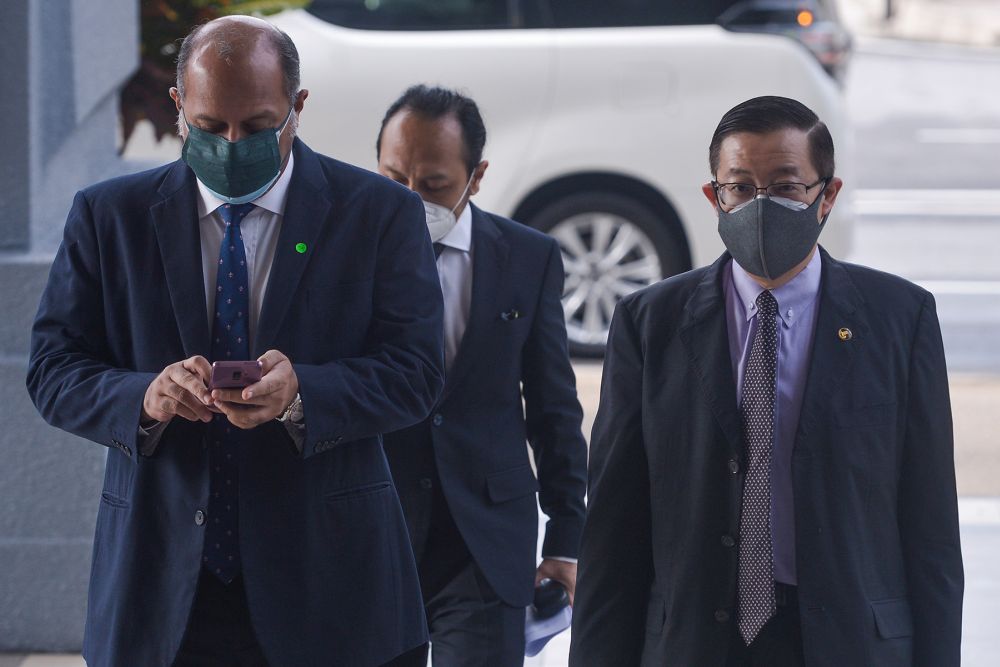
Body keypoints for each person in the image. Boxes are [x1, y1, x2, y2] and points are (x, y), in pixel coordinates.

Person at [26, 17, 443, 667]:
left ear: (297, 109)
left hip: (333, 587)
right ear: (178, 107)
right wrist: (147, 396)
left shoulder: (379, 214)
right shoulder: (108, 217)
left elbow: (417, 372)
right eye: (211, 124)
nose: (230, 143)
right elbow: (53, 369)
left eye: (255, 126)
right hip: (162, 592)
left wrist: (304, 391)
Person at [570, 96, 963, 666]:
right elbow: (613, 525)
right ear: (715, 197)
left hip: (848, 640)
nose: (760, 205)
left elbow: (930, 526)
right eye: (740, 187)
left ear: (827, 195)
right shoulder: (650, 322)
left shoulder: (900, 319)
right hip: (695, 642)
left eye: (785, 187)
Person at [375, 85, 588, 665]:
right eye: (394, 181)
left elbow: (553, 407)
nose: (411, 198)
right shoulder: (351, 251)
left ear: (477, 175)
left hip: (486, 537)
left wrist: (566, 539)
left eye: (435, 184)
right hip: (374, 527)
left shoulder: (528, 257)